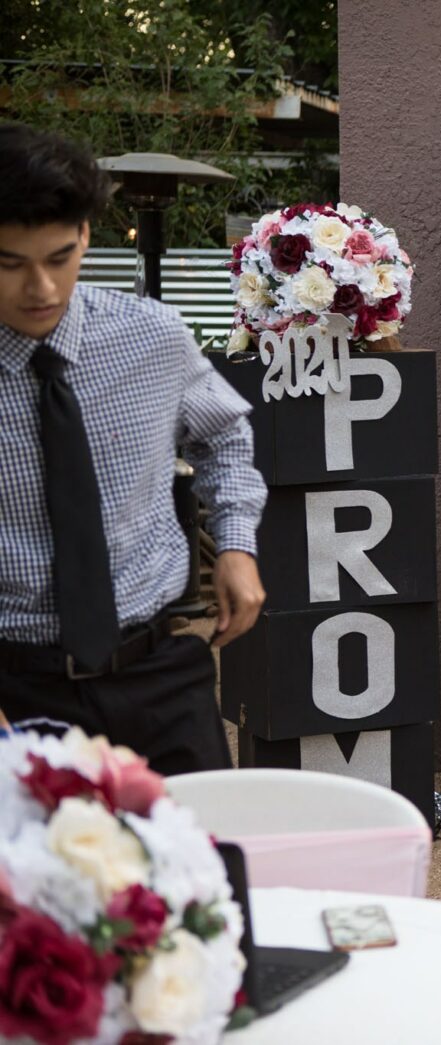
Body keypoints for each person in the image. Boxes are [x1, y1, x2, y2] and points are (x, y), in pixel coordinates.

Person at [0, 124, 267, 773]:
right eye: (9, 264)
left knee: (209, 865)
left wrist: (236, 544)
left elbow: (223, 434)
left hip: (161, 672)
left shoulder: (152, 337)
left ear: (87, 235)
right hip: (17, 683)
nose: (41, 288)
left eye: (59, 257)